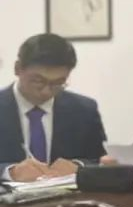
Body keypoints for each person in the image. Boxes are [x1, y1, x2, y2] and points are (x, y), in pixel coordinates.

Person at [0, 34, 107, 181]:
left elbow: (101, 161)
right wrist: (10, 172)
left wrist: (78, 166)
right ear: (18, 69)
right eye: (38, 81)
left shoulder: (84, 110)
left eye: (58, 83)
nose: (46, 91)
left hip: (69, 195)